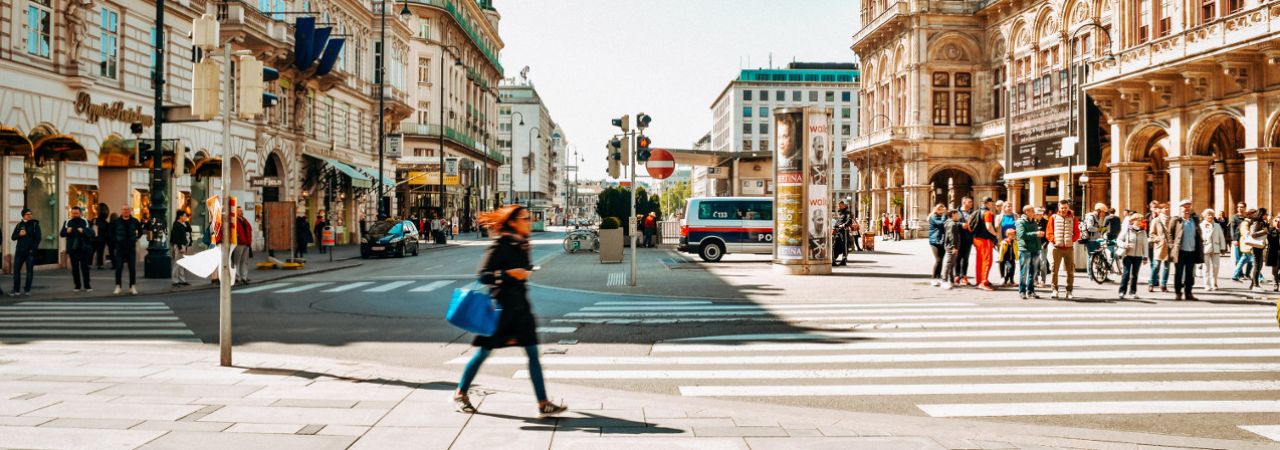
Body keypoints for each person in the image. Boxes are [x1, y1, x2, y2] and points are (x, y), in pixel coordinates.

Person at [454, 205, 568, 418]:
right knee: (483, 353)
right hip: (501, 310)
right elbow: (483, 276)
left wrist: (524, 272)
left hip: (521, 310)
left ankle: (543, 403)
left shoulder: (523, 244)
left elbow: (525, 270)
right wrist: (509, 274)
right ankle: (461, 392)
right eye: (525, 218)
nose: (529, 221)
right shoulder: (501, 245)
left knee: (533, 353)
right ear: (513, 222)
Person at [1169, 199, 1203, 301]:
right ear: (1180, 208)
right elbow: (1170, 234)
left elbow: (1198, 233)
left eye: (1188, 207)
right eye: (1184, 207)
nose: (1186, 209)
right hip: (1180, 252)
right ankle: (1178, 293)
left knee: (1190, 274)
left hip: (1192, 251)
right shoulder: (1176, 220)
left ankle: (1188, 293)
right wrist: (1172, 246)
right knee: (1178, 273)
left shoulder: (1194, 220)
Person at [1045, 199, 1079, 299]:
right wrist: (1054, 240)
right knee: (1054, 270)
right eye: (1062, 208)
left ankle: (1069, 291)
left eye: (1065, 208)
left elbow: (1077, 232)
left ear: (1068, 207)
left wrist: (1072, 240)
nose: (1063, 209)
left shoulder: (1073, 218)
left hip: (1069, 248)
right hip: (1057, 248)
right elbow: (1049, 232)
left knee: (1070, 271)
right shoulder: (1053, 218)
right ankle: (1054, 290)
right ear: (1059, 208)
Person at [109, 205, 143, 295]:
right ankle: (118, 286)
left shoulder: (134, 221)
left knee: (132, 268)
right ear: (122, 211)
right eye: (124, 209)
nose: (126, 211)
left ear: (130, 211)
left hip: (131, 247)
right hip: (120, 248)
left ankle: (132, 286)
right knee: (118, 268)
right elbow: (111, 233)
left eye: (127, 209)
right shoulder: (116, 222)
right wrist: (116, 241)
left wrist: (135, 238)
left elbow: (140, 231)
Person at [61, 206, 95, 293]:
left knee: (85, 268)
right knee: (75, 268)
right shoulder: (68, 222)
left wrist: (83, 231)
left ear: (80, 213)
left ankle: (87, 285)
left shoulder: (85, 221)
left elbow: (92, 233)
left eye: (76, 213)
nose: (75, 215)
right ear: (71, 213)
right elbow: (62, 234)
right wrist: (66, 231)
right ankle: (77, 286)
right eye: (73, 213)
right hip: (73, 249)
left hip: (83, 249)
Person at [1115, 213, 1148, 300]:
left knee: (1135, 275)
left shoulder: (1143, 231)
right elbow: (1118, 240)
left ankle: (1133, 292)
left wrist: (1145, 257)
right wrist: (1124, 245)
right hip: (1128, 255)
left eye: (1141, 220)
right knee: (1126, 274)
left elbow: (1145, 245)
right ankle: (1122, 292)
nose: (1140, 222)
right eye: (1138, 220)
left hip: (1138, 256)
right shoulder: (1127, 229)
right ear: (1133, 221)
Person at [1015, 205, 1044, 299]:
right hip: (1025, 249)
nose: (1034, 213)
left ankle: (1031, 291)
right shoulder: (1020, 222)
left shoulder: (1034, 222)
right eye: (1032, 211)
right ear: (1026, 212)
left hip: (1035, 248)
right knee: (1024, 272)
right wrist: (1036, 234)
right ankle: (1022, 291)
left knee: (1034, 271)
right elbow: (1021, 235)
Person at [10, 208, 40, 296]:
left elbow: (38, 238)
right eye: (27, 214)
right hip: (19, 251)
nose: (30, 215)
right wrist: (19, 234)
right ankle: (16, 290)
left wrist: (32, 249)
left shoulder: (35, 225)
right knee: (16, 271)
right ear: (23, 215)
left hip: (30, 252)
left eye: (30, 214)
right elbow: (13, 237)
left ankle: (27, 289)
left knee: (29, 271)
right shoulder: (19, 225)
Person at [1200, 209, 1228, 291]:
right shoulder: (1201, 225)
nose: (1210, 216)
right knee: (1206, 268)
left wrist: (1223, 248)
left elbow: (1221, 237)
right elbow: (1200, 237)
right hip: (1205, 248)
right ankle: (1207, 284)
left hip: (1216, 248)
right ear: (1204, 216)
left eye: (1212, 214)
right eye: (1208, 214)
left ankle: (1214, 283)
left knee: (1216, 267)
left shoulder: (1217, 225)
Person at [1081, 202, 1109, 277]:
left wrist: (1103, 230)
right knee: (1091, 257)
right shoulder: (1091, 217)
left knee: (1097, 257)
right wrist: (1099, 229)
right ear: (1099, 210)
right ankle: (1091, 275)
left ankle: (1100, 274)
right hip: (1091, 240)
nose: (1103, 214)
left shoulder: (1097, 217)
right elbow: (1089, 228)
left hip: (1096, 239)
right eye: (1103, 212)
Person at [1148, 203, 1171, 293]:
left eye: (1168, 208)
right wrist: (1159, 239)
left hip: (1169, 246)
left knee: (1166, 267)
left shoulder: (1171, 220)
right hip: (1159, 246)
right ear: (1161, 210)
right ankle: (1151, 284)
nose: (1167, 210)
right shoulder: (1156, 220)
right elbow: (1151, 234)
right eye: (1165, 208)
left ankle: (1163, 285)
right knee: (1156, 265)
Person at [1245, 208, 1269, 292]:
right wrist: (1263, 231)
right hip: (1256, 247)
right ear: (1262, 214)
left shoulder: (1262, 222)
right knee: (1257, 266)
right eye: (1266, 214)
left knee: (1259, 265)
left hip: (1260, 246)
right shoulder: (1256, 222)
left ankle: (1253, 284)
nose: (1267, 215)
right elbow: (1253, 234)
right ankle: (1255, 285)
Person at [168, 211, 193, 286]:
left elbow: (189, 230)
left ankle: (182, 280)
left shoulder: (183, 224)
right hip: (179, 246)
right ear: (180, 216)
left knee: (182, 263)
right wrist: (180, 247)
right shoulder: (176, 225)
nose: (186, 217)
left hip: (184, 245)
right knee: (178, 263)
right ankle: (175, 280)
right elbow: (176, 238)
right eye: (184, 216)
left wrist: (187, 223)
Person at [940, 209, 963, 290]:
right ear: (952, 214)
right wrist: (954, 247)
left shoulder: (949, 222)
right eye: (957, 214)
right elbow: (951, 236)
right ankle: (944, 280)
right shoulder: (952, 224)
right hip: (951, 247)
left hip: (951, 246)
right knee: (948, 263)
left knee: (952, 264)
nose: (958, 216)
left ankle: (951, 281)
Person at [956, 197, 976, 286]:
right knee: (958, 258)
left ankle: (964, 276)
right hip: (959, 238)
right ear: (964, 202)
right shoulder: (956, 212)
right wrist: (961, 224)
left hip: (968, 238)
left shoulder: (972, 213)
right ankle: (956, 276)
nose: (972, 203)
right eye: (970, 202)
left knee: (966, 258)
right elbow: (950, 222)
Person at [927, 204, 947, 286]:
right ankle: (933, 278)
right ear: (936, 209)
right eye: (939, 208)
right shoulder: (933, 217)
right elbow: (941, 224)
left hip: (942, 240)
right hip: (934, 240)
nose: (941, 210)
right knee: (938, 260)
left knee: (941, 260)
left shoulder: (945, 217)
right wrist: (945, 214)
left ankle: (938, 277)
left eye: (943, 208)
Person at [1229, 202, 1249, 280]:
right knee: (1238, 258)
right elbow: (1232, 229)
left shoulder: (1247, 217)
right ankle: (1240, 274)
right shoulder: (1235, 217)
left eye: (1242, 207)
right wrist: (1234, 239)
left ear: (1245, 208)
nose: (1240, 209)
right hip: (1238, 240)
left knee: (1249, 257)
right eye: (1238, 207)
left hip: (1246, 240)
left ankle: (1247, 273)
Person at [234, 206, 253, 283]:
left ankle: (244, 277)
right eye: (240, 211)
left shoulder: (244, 220)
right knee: (237, 261)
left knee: (244, 261)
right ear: (236, 212)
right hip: (239, 243)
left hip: (246, 243)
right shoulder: (234, 221)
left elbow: (249, 229)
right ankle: (237, 277)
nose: (242, 212)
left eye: (241, 211)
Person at [834, 202, 853, 266]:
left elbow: (849, 220)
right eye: (838, 205)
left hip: (843, 231)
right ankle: (834, 258)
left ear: (844, 205)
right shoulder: (840, 212)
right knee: (836, 243)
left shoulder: (847, 212)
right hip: (837, 230)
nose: (838, 206)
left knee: (844, 244)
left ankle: (844, 259)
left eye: (840, 205)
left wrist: (844, 225)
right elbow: (838, 221)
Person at [92, 203, 110, 270]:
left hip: (97, 238)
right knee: (99, 251)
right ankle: (100, 264)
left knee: (97, 251)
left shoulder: (96, 221)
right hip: (99, 238)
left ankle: (97, 264)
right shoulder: (104, 222)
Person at [1267, 215, 1280, 291]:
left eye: (1279, 222)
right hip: (1274, 253)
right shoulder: (1271, 230)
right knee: (1274, 270)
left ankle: (1277, 278)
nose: (1278, 223)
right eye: (1276, 221)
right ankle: (1275, 285)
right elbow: (1269, 239)